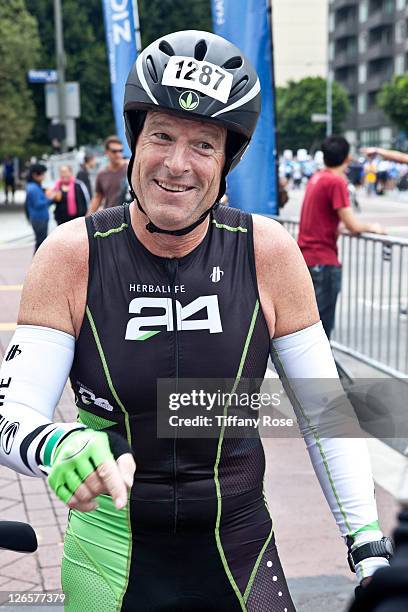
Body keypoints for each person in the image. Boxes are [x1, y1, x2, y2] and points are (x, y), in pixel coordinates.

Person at [0, 31, 392, 611]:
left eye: (204, 144)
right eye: (162, 135)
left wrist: (369, 549)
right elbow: (11, 411)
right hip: (110, 556)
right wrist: (57, 443)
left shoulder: (267, 251)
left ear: (227, 159)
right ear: (136, 139)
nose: (177, 165)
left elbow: (323, 411)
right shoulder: (71, 254)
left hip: (239, 550)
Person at [298, 135, 385, 340]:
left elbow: (324, 220)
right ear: (346, 157)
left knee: (310, 326)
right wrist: (373, 227)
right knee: (321, 331)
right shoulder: (335, 181)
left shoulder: (317, 177)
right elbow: (352, 223)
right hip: (324, 261)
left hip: (308, 258)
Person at [88, 135, 128, 213]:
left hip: (129, 216)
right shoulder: (102, 174)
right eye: (114, 151)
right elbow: (98, 197)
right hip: (110, 217)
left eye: (120, 151)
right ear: (106, 152)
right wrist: (87, 219)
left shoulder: (130, 169)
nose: (118, 154)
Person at [24, 163, 57, 251]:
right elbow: (38, 204)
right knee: (41, 243)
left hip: (40, 218)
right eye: (42, 174)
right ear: (35, 175)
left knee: (41, 241)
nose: (44, 176)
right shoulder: (33, 188)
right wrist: (51, 198)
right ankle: (37, 263)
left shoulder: (35, 186)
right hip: (39, 219)